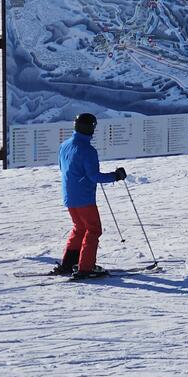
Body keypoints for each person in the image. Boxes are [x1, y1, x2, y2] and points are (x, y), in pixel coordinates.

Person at [55, 112, 126, 279]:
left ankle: (68, 264)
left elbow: (62, 167)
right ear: (91, 129)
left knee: (79, 228)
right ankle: (85, 268)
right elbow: (94, 177)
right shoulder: (87, 150)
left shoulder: (64, 145)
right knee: (93, 229)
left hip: (69, 196)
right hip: (84, 198)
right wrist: (116, 176)